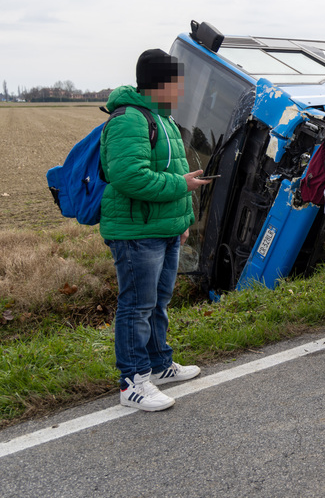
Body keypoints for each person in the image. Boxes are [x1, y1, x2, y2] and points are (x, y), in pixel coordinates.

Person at [100, 49, 209, 411]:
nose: (181, 91)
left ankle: (159, 365)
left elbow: (174, 173)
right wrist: (182, 186)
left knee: (158, 302)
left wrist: (182, 224)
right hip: (136, 232)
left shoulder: (161, 118)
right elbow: (129, 176)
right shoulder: (129, 119)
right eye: (177, 83)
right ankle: (133, 382)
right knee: (137, 306)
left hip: (161, 227)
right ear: (160, 85)